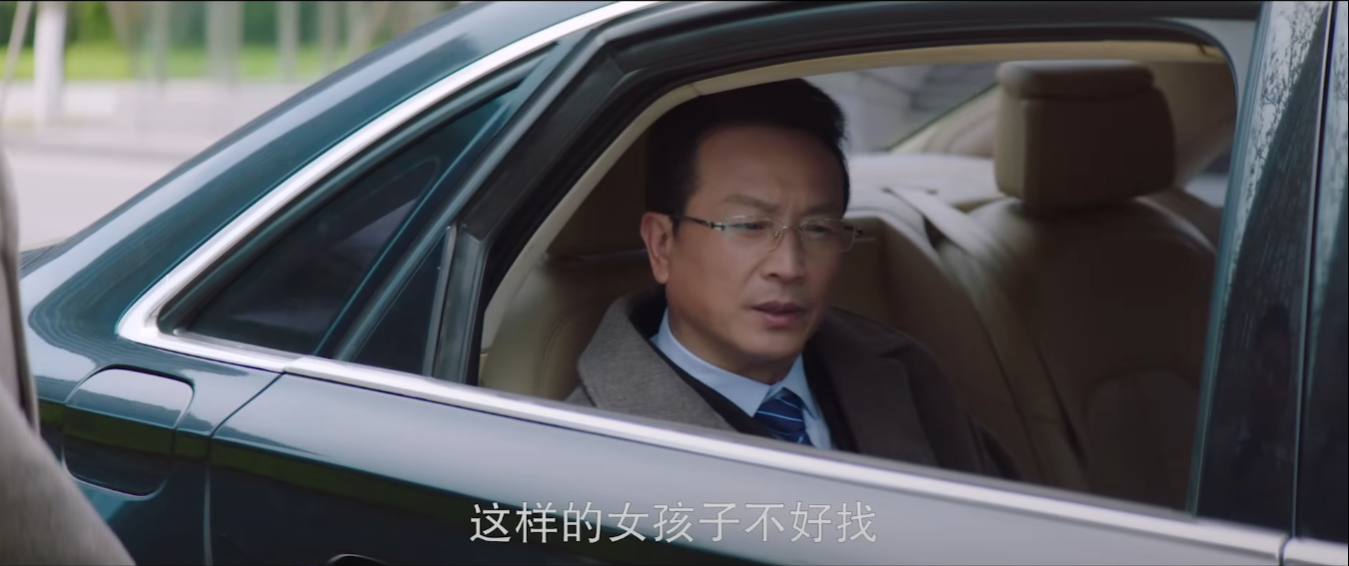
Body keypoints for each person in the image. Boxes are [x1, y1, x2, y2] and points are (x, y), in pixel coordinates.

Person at [564, 79, 1015, 478]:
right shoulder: (582, 454)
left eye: (818, 229)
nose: (790, 266)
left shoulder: (904, 375)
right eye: (750, 226)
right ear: (662, 244)